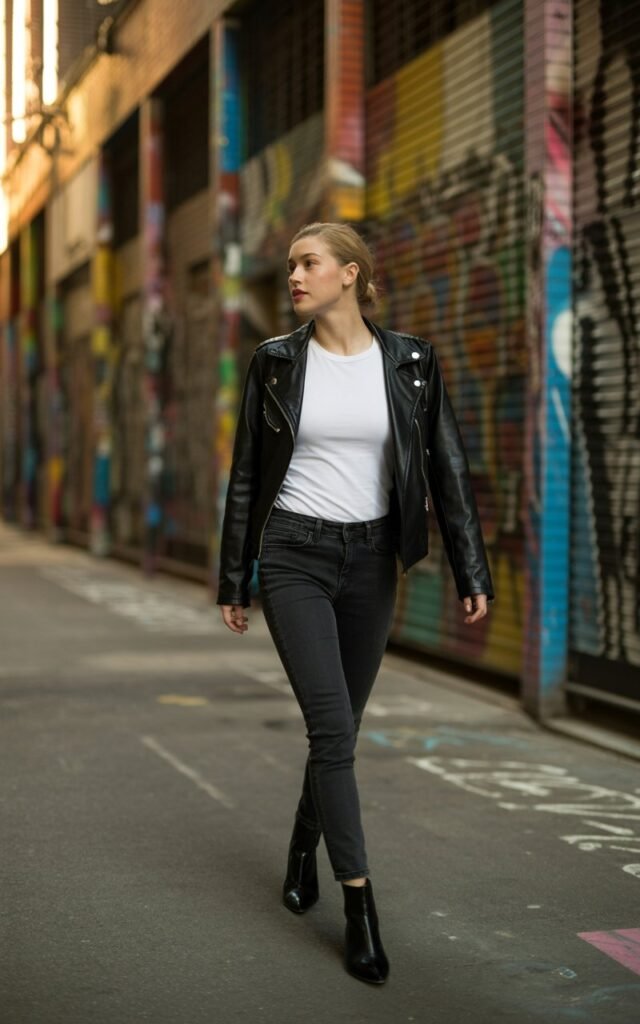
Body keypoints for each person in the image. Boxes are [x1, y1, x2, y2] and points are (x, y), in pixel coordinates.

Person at [217, 222, 494, 985]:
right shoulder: (273, 363)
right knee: (332, 728)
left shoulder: (409, 363)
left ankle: (305, 843)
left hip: (374, 561)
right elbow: (246, 475)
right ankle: (360, 906)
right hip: (295, 557)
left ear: (350, 274)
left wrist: (472, 568)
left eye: (309, 264)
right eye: (291, 266)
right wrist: (235, 576)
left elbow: (448, 468)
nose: (295, 278)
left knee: (341, 728)